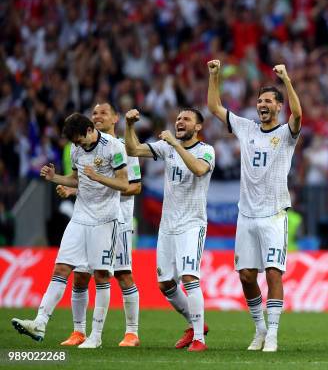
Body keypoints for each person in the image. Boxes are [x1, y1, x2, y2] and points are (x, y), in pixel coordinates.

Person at [206, 59, 301, 352]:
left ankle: (272, 334)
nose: (262, 104)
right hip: (246, 215)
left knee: (273, 272)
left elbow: (298, 113)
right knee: (246, 275)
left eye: (269, 101)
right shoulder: (246, 127)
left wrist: (286, 79)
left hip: (273, 215)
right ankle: (259, 328)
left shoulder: (286, 133)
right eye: (260, 100)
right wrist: (214, 75)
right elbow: (213, 107)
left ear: (278, 107)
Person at [12, 113, 129, 348]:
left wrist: (99, 177)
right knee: (62, 267)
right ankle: (40, 322)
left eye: (78, 139)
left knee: (101, 275)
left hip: (105, 218)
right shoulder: (76, 150)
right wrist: (55, 178)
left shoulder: (113, 147)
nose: (76, 145)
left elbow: (124, 183)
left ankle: (95, 336)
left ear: (88, 130)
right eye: (73, 141)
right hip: (80, 216)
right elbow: (77, 179)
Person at [124, 107, 215, 352]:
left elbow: (198, 169)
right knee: (165, 284)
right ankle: (196, 325)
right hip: (168, 226)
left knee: (189, 277)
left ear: (198, 127)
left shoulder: (207, 151)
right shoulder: (167, 148)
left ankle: (199, 339)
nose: (179, 121)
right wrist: (129, 126)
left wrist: (175, 144)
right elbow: (132, 149)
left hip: (192, 225)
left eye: (186, 119)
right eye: (177, 119)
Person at [56, 102, 142, 347]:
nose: (98, 116)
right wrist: (73, 190)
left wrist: (104, 184)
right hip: (89, 219)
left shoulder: (124, 148)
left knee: (123, 275)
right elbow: (84, 182)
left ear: (115, 118)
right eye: (94, 113)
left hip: (119, 219)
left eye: (104, 112)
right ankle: (78, 332)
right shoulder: (85, 150)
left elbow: (134, 185)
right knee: (81, 275)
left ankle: (132, 333)